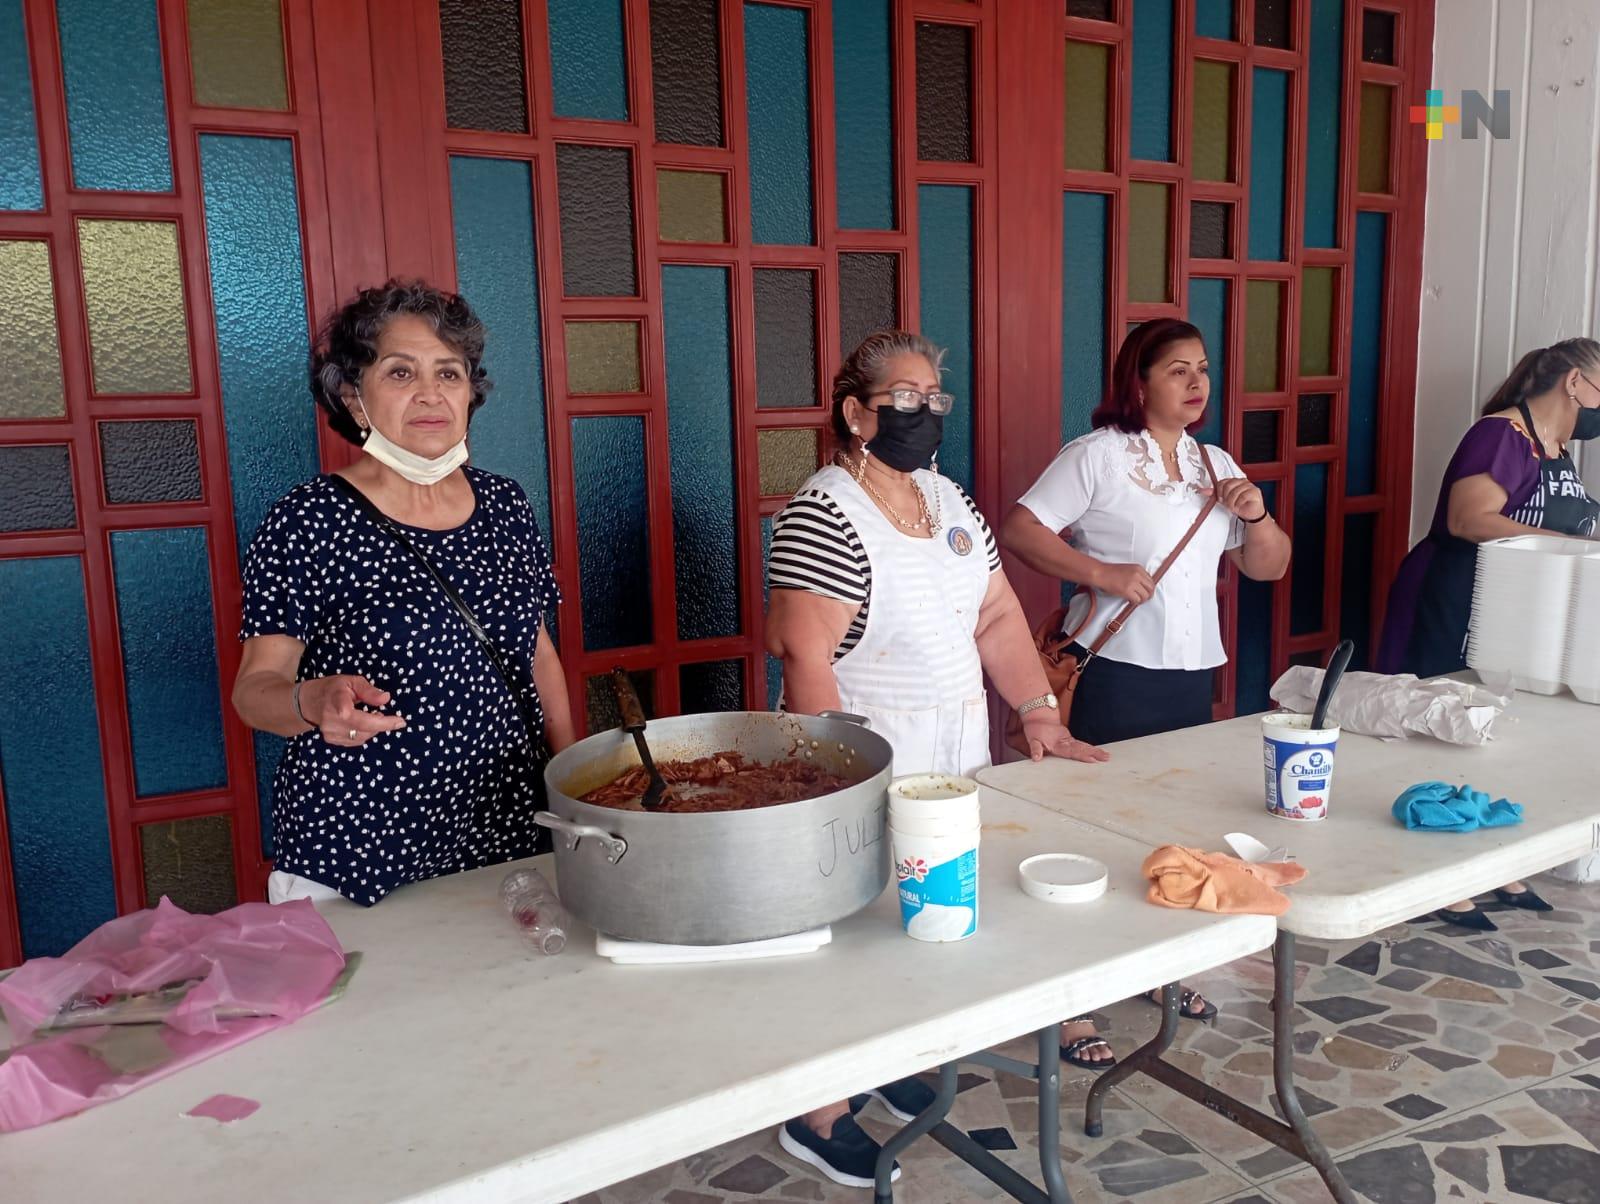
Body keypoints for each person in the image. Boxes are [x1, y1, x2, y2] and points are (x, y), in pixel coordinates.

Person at [764, 330, 1108, 1188]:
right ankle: (818, 1111)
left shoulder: (947, 500)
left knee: (913, 922)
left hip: (951, 759)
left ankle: (886, 1060)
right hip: (860, 757)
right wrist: (841, 778)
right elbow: (804, 653)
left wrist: (1037, 712)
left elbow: (995, 615)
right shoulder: (824, 511)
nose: (924, 413)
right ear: (857, 413)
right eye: (905, 399)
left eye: (934, 399)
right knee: (846, 932)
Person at [1000, 318, 1291, 1067]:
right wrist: (1099, 574)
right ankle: (1071, 1002)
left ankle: (1158, 970)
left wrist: (1256, 514)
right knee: (1090, 829)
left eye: (1203, 369)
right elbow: (1021, 530)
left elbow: (1269, 566)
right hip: (1113, 672)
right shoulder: (1097, 456)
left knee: (1168, 828)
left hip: (1190, 674)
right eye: (1177, 370)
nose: (1196, 383)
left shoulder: (1213, 464)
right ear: (1139, 381)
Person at [232, 280, 575, 907]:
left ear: (469, 392)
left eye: (449, 373)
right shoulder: (309, 519)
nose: (430, 393)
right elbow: (254, 690)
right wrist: (312, 701)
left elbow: (538, 656)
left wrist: (576, 787)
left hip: (507, 833)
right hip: (360, 848)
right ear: (353, 397)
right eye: (399, 372)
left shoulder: (505, 504)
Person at [1377, 337, 1600, 929]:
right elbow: (1468, 518)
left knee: (1494, 730)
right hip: (1453, 598)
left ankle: (1487, 861)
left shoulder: (1555, 448)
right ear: (1574, 382)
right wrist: (1574, 545)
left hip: (1512, 614)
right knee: (1441, 725)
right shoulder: (1500, 436)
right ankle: (1437, 872)